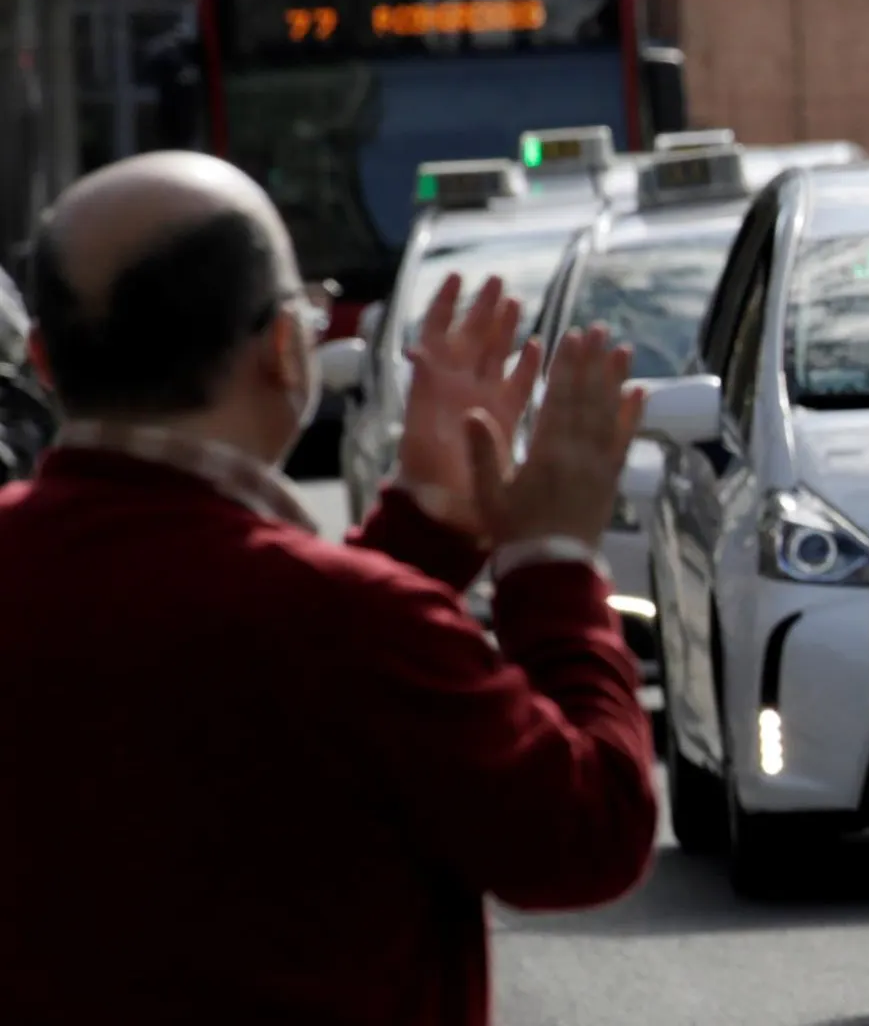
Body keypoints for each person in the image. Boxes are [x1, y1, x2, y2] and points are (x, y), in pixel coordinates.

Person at [0, 151, 658, 1024]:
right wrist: (551, 560)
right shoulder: (345, 623)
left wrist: (425, 527)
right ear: (282, 347)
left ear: (44, 359)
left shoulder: (339, 621)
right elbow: (585, 835)